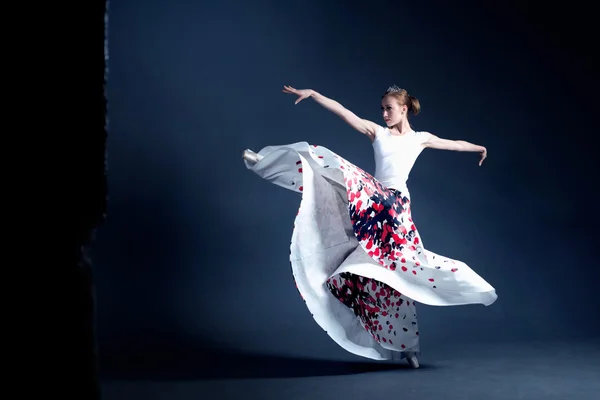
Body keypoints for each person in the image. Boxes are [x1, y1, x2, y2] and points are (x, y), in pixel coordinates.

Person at [242, 85, 497, 369]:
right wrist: (314, 94)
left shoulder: (420, 139)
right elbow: (344, 112)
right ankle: (265, 161)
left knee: (399, 271)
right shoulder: (377, 132)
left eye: (389, 108)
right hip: (374, 200)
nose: (385, 114)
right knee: (336, 171)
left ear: (404, 109)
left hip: (397, 211)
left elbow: (455, 144)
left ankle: (410, 348)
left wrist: (480, 147)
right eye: (382, 109)